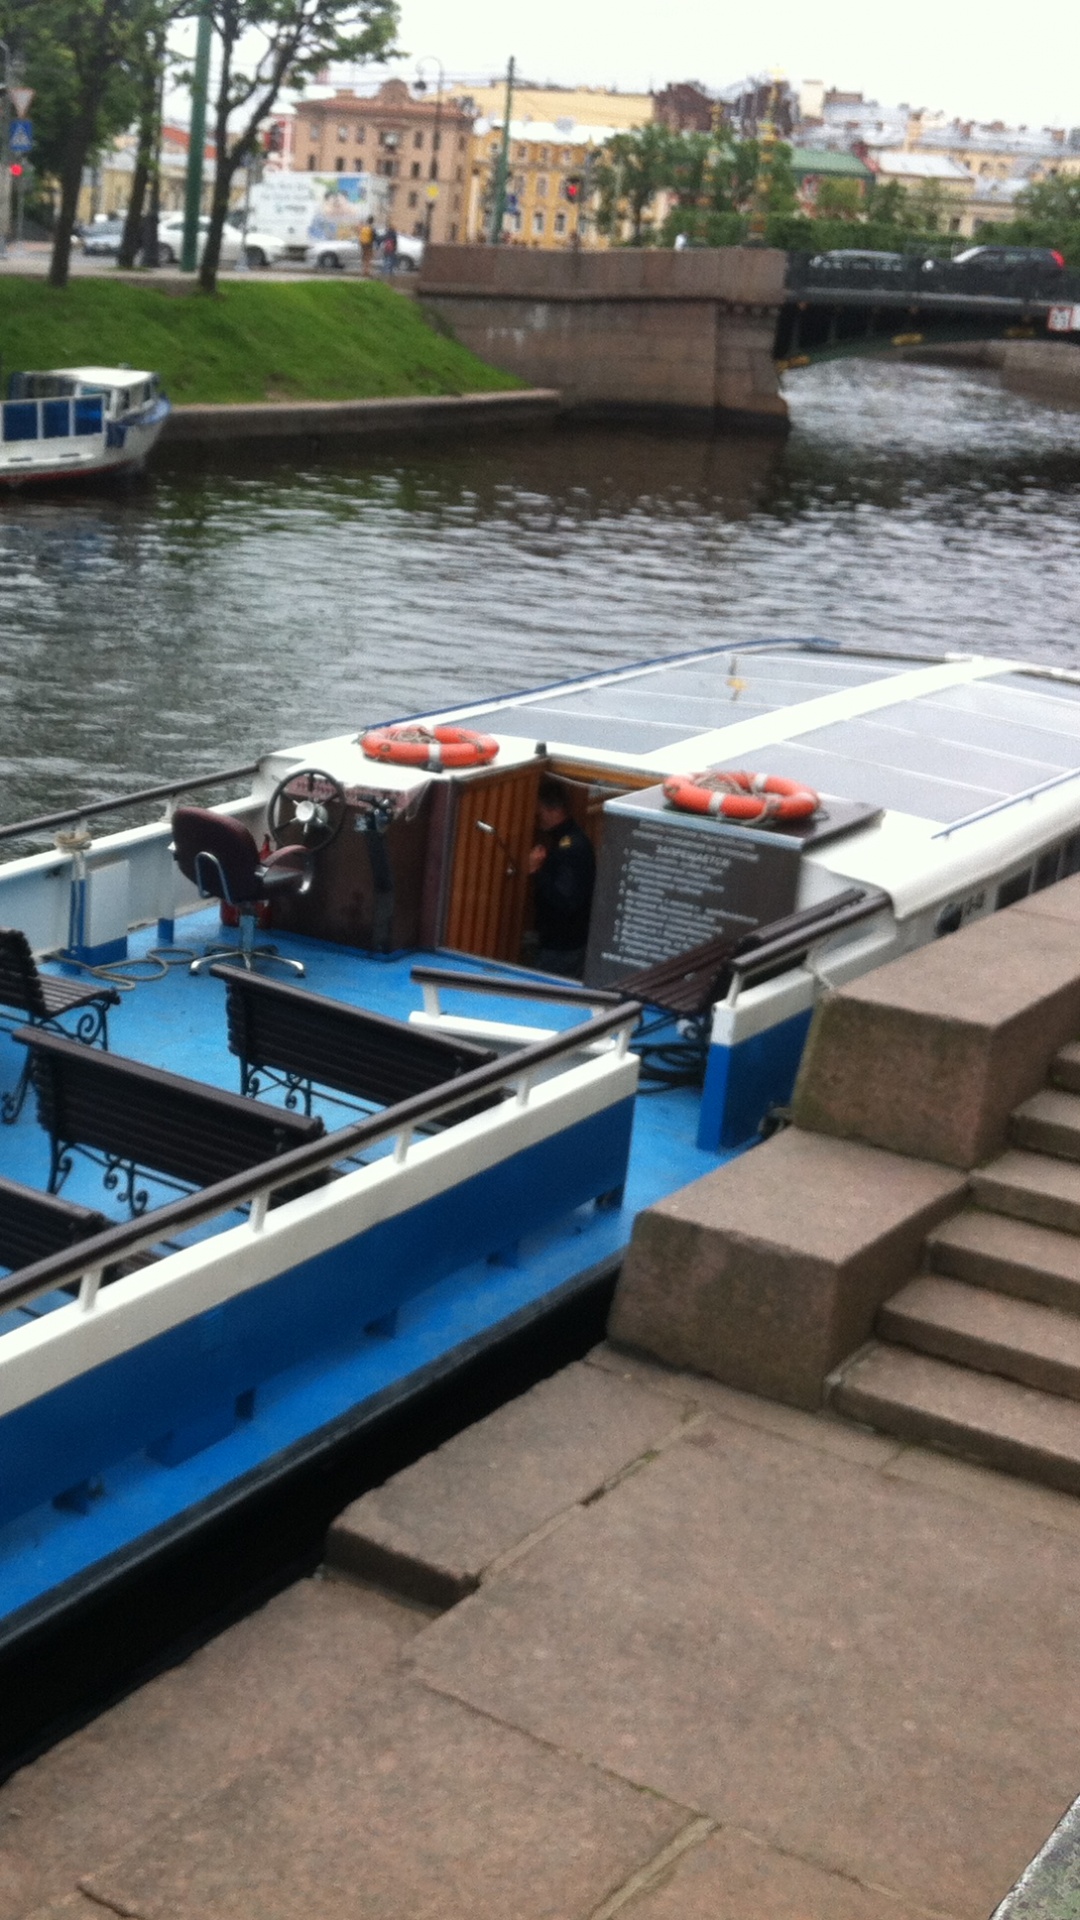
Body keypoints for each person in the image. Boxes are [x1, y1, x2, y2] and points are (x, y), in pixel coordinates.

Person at [527, 777, 596, 977]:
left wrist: (537, 870)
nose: (538, 817)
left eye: (540, 811)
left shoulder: (570, 849)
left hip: (562, 945)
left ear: (554, 810)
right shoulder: (572, 839)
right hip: (568, 940)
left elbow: (565, 900)